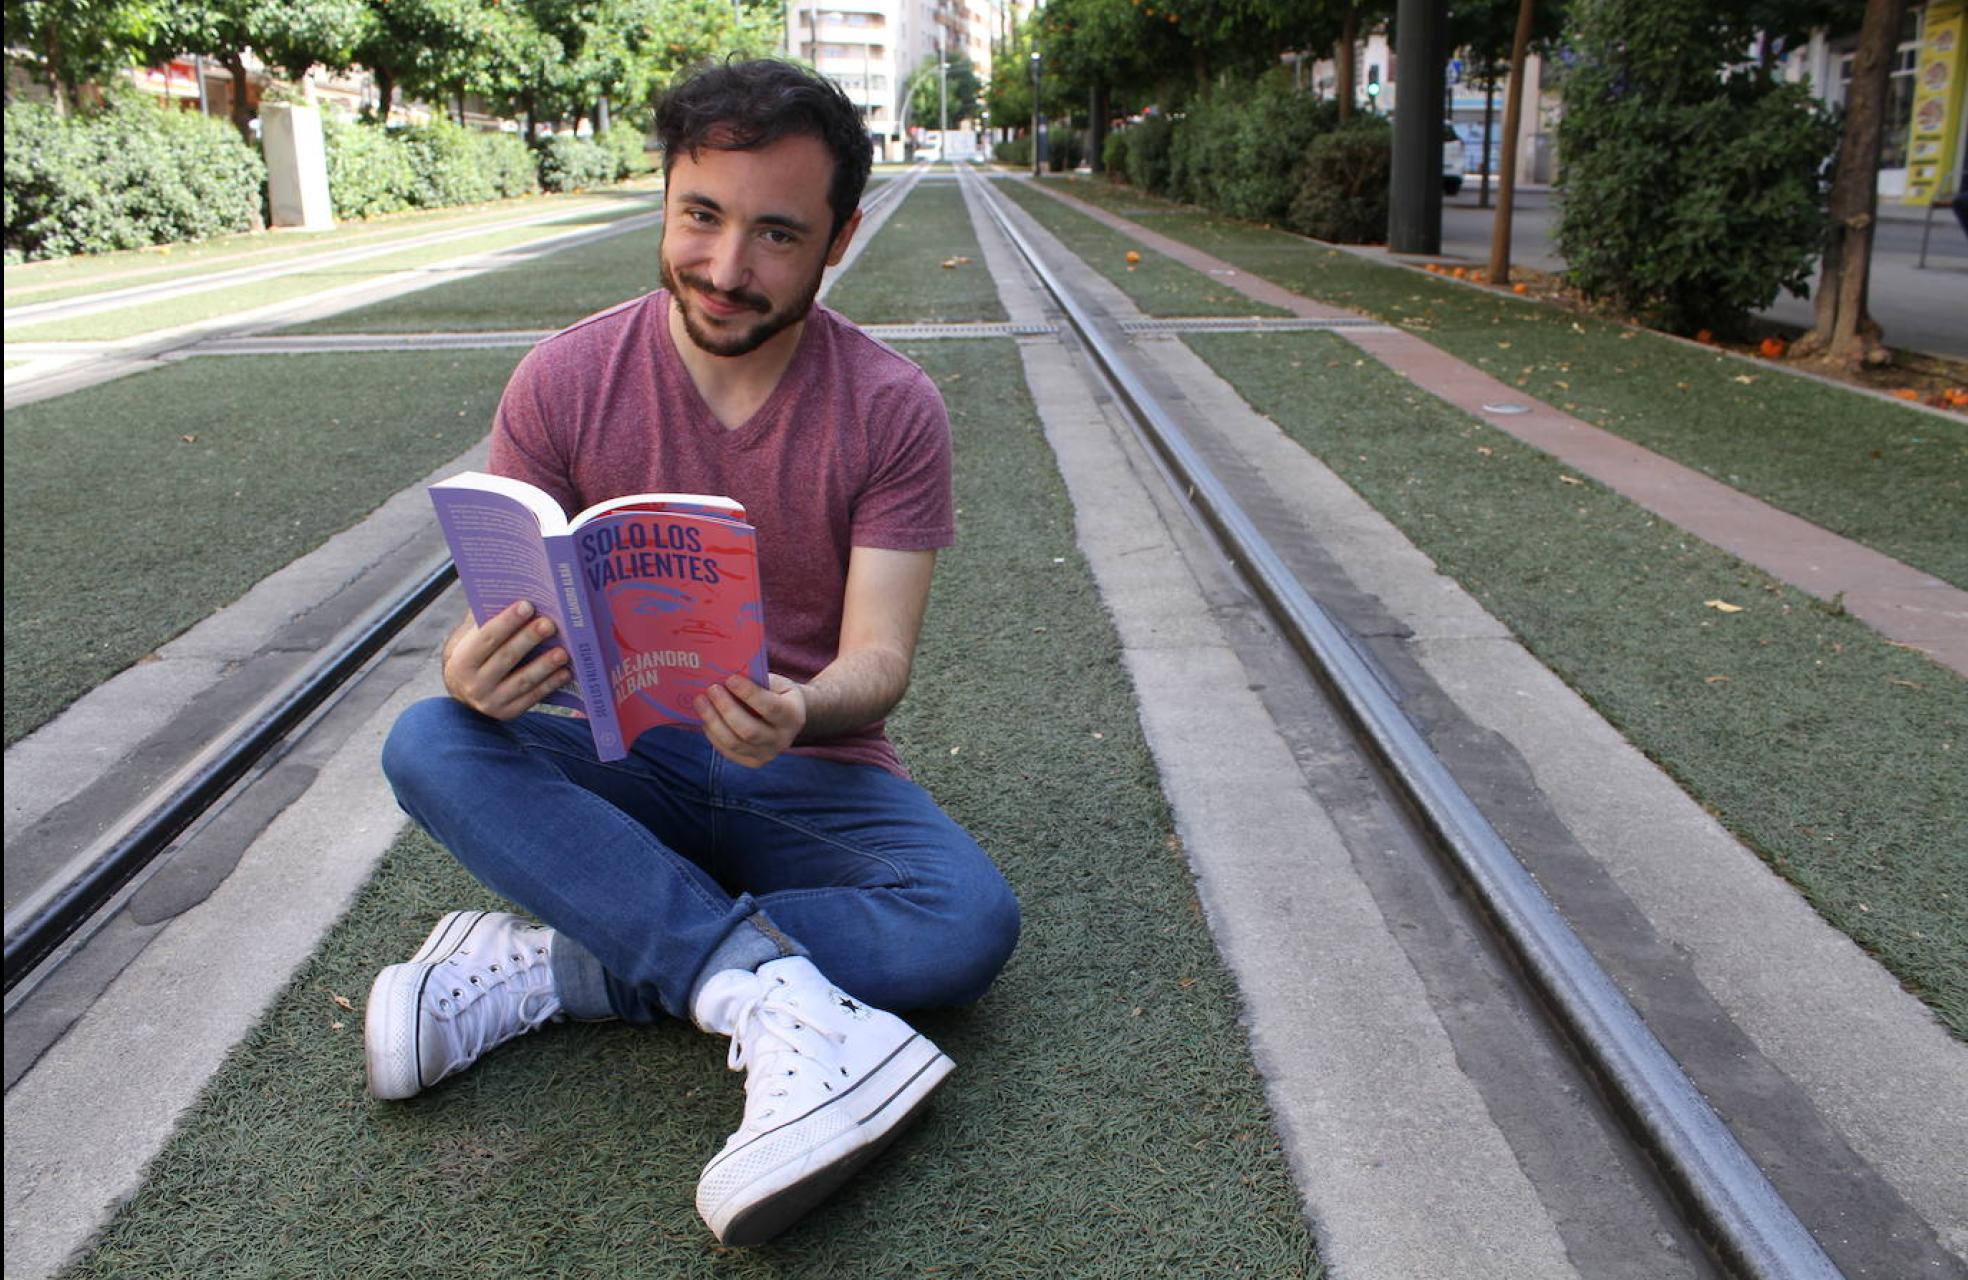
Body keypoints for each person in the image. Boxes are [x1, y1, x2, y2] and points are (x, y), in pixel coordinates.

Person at [365, 58, 1020, 1247]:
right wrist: (478, 667)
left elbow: (881, 660)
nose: (727, 269)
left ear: (838, 238)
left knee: (967, 924)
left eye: (776, 234)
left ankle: (562, 964)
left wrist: (802, 705)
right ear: (664, 195)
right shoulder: (566, 378)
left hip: (812, 773)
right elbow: (503, 601)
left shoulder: (892, 404)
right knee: (429, 736)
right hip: (633, 759)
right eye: (701, 217)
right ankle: (764, 996)